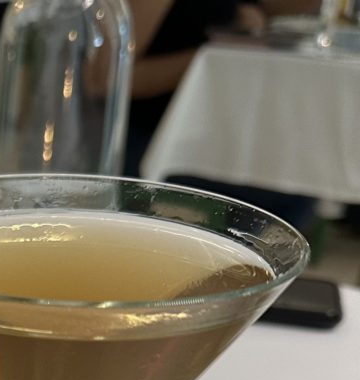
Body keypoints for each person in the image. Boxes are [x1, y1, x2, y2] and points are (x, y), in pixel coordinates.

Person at [125, 1, 321, 229]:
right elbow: (106, 79)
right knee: (290, 194)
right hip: (154, 141)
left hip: (214, 135)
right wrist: (211, 56)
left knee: (300, 177)